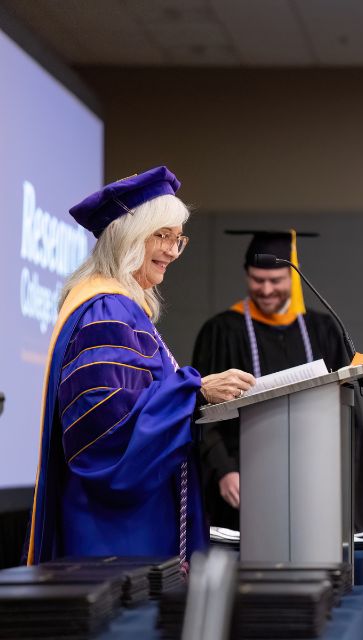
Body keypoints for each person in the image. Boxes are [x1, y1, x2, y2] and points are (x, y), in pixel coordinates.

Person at [26, 167, 254, 566]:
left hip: (128, 521)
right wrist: (194, 392)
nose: (171, 250)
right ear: (127, 238)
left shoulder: (124, 309)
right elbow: (105, 433)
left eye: (177, 238)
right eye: (161, 236)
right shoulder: (106, 310)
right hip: (114, 531)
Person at [191, 230, 363, 532]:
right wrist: (223, 470)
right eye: (257, 280)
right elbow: (203, 410)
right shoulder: (222, 331)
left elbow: (347, 413)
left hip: (314, 476)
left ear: (292, 278)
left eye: (276, 280)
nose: (266, 289)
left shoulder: (322, 329)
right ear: (246, 275)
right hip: (243, 480)